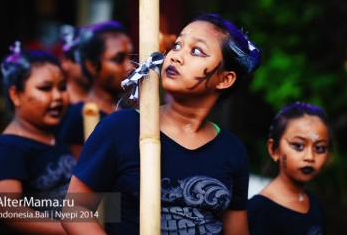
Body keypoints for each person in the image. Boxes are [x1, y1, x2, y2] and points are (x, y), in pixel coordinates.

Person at [61, 13, 261, 234]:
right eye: (177, 46)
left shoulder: (232, 151)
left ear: (225, 79)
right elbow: (75, 210)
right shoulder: (120, 129)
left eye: (196, 51)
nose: (176, 56)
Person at [0, 42, 75, 234]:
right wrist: (72, 230)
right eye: (45, 88)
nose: (57, 96)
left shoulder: (55, 138)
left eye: (62, 87)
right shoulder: (7, 148)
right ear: (16, 95)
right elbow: (8, 209)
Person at [247, 101, 331, 235]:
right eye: (298, 146)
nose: (310, 157)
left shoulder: (313, 202)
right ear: (274, 149)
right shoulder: (259, 210)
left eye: (319, 148)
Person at [56, 20, 135, 159]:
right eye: (118, 59)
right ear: (91, 65)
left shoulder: (126, 109)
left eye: (131, 57)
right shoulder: (79, 117)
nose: (130, 67)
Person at [58, 24, 91, 105]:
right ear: (65, 61)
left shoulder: (112, 103)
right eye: (82, 59)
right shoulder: (58, 105)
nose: (90, 65)